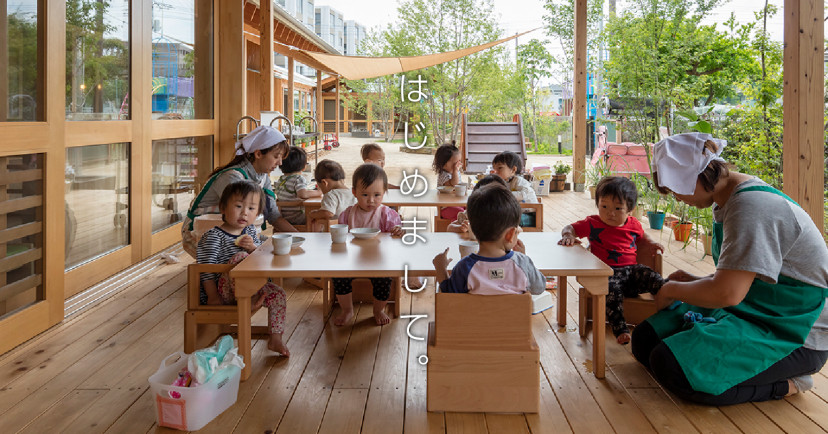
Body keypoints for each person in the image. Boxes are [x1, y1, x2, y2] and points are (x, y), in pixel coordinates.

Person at [631, 132, 828, 405]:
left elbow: (728, 294)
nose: (677, 197)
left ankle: (787, 384)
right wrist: (696, 281)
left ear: (696, 176)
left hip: (796, 331)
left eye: (676, 188)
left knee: (672, 367)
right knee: (644, 341)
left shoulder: (750, 207)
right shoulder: (729, 198)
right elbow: (746, 276)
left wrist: (672, 289)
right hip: (755, 305)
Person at [558, 176, 666, 345]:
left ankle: (669, 308)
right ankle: (621, 330)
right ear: (598, 204)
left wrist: (651, 243)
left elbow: (643, 235)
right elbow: (570, 227)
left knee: (653, 276)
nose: (610, 213)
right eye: (604, 206)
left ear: (630, 210)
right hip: (606, 275)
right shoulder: (592, 223)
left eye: (618, 208)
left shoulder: (633, 224)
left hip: (631, 273)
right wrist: (568, 235)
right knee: (610, 293)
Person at [197, 181, 289, 356]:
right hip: (222, 292)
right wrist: (213, 297)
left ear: (258, 214)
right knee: (240, 259)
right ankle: (252, 297)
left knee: (278, 294)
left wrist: (254, 248)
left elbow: (261, 258)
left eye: (251, 208)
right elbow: (204, 269)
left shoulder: (250, 232)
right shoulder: (213, 236)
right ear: (223, 208)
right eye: (238, 206)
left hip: (250, 287)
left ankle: (276, 339)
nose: (244, 212)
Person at [182, 125, 296, 258]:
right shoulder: (232, 177)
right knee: (261, 253)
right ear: (258, 153)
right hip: (201, 235)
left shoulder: (262, 177)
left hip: (234, 231)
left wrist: (299, 236)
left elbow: (273, 215)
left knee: (276, 247)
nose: (280, 163)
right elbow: (235, 219)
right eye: (276, 156)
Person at [433, 183, 545, 295]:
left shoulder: (464, 267)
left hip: (475, 313)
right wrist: (523, 256)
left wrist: (440, 268)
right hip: (515, 313)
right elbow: (539, 287)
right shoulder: (522, 263)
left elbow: (448, 294)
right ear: (510, 234)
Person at [333, 164, 405, 326]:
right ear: (354, 192)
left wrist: (398, 230)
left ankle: (378, 310)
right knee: (338, 276)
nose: (371, 200)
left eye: (377, 195)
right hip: (352, 261)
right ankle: (347, 310)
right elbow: (340, 238)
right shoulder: (347, 214)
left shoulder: (386, 214)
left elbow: (396, 240)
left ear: (384, 192)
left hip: (378, 262)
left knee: (384, 280)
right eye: (365, 194)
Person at [274, 146, 321, 226]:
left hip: (284, 218)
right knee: (320, 217)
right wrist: (319, 192)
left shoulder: (280, 180)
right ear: (304, 167)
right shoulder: (298, 179)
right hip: (298, 217)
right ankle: (315, 236)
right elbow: (303, 194)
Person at [491, 151, 538, 227]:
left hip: (528, 215)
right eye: (494, 169)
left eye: (500, 168)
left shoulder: (519, 181)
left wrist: (503, 195)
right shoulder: (504, 181)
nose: (496, 171)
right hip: (514, 214)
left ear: (513, 170)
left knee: (500, 219)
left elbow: (524, 194)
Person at [307, 159, 356, 231]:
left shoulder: (331, 195)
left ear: (324, 183)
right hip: (353, 229)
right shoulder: (353, 193)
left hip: (336, 232)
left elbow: (328, 213)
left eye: (320, 187)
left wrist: (313, 214)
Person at [433, 141, 464, 221]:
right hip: (445, 207)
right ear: (444, 164)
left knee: (471, 207)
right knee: (460, 212)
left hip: (455, 202)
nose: (458, 165)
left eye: (459, 161)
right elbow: (455, 183)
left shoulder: (455, 172)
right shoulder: (443, 175)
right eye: (455, 163)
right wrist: (455, 171)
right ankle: (458, 228)